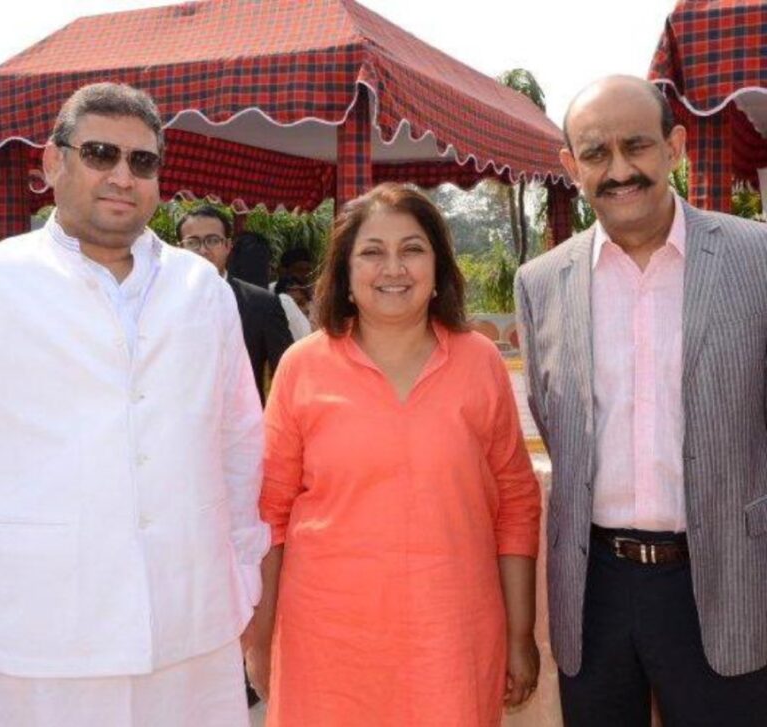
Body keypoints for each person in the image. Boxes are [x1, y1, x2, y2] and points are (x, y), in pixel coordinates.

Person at [0, 83, 269, 727]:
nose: (122, 176)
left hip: (190, 616)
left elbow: (238, 439)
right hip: (43, 626)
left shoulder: (200, 287)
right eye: (99, 153)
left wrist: (244, 575)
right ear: (51, 163)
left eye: (142, 161)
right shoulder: (7, 280)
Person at [514, 75, 767, 727]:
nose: (620, 170)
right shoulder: (541, 284)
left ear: (674, 147)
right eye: (596, 153)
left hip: (728, 581)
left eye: (637, 146)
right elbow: (555, 421)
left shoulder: (756, 258)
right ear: (571, 166)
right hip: (596, 589)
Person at [243, 182, 542, 726]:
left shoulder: (480, 365)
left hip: (452, 641)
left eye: (412, 249)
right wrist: (259, 639)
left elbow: (517, 506)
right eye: (372, 252)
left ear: (438, 269)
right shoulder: (302, 367)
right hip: (327, 643)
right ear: (346, 276)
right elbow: (272, 515)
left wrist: (520, 633)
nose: (393, 268)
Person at [176, 205, 293, 404]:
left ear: (228, 246)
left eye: (213, 240)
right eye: (193, 242)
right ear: (179, 248)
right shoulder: (161, 301)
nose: (203, 250)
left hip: (242, 426)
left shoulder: (260, 303)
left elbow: (287, 374)